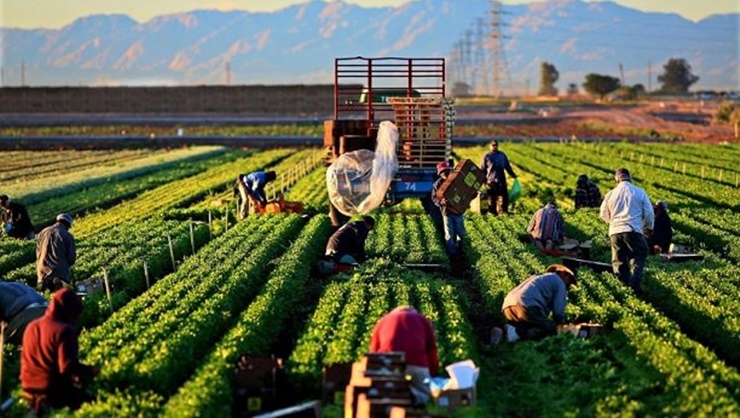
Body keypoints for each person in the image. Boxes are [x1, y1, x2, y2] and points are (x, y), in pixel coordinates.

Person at [21, 288, 100, 414]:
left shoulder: (32, 326)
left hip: (29, 390)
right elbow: (67, 366)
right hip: (52, 391)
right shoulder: (63, 330)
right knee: (95, 404)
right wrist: (91, 371)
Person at [370, 306, 439, 406]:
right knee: (423, 392)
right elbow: (431, 350)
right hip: (417, 363)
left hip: (390, 363)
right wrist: (432, 372)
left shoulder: (383, 321)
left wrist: (375, 371)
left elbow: (374, 351)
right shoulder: (421, 320)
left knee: (387, 388)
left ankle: (394, 400)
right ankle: (413, 399)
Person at [600, 168, 654, 292]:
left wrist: (613, 222)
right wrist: (648, 229)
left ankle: (623, 288)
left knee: (619, 261)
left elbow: (603, 213)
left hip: (615, 231)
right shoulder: (639, 192)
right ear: (630, 178)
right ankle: (634, 284)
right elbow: (649, 213)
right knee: (639, 254)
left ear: (616, 180)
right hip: (632, 229)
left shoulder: (610, 194)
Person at [499, 264, 577, 342]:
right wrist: (562, 326)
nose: (568, 287)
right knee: (549, 329)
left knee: (530, 324)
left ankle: (504, 333)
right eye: (569, 283)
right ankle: (516, 334)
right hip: (527, 306)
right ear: (565, 275)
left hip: (508, 306)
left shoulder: (538, 277)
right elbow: (558, 312)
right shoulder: (559, 282)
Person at [431, 161, 466, 260]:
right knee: (449, 234)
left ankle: (462, 251)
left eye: (447, 171)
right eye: (443, 172)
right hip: (446, 212)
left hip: (458, 211)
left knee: (461, 233)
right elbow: (434, 198)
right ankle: (452, 255)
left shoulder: (456, 180)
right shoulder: (437, 185)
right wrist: (441, 202)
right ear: (440, 174)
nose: (445, 173)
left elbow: (464, 192)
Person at [36, 213, 76, 292]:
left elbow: (38, 253)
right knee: (60, 299)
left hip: (42, 271)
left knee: (44, 298)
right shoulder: (67, 235)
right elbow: (71, 258)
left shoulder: (43, 232)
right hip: (59, 274)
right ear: (68, 225)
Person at [480, 140, 517, 216]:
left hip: (501, 180)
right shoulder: (486, 156)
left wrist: (513, 175)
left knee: (504, 199)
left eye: (496, 145)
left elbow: (507, 167)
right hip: (491, 181)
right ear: (490, 146)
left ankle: (504, 212)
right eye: (493, 145)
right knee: (492, 200)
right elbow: (482, 169)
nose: (494, 147)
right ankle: (493, 213)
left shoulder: (502, 155)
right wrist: (484, 181)